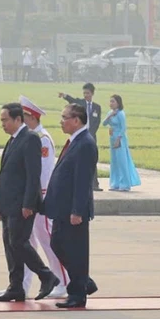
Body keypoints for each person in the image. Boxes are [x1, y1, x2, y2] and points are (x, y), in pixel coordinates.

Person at [0, 102, 61, 302]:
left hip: (22, 204)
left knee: (19, 243)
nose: (2, 124)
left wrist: (29, 204)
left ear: (18, 119)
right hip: (8, 204)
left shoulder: (30, 139)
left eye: (5, 120)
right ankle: (16, 287)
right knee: (10, 245)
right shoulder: (12, 140)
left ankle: (47, 275)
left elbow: (33, 175)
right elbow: (5, 175)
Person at [45, 103, 98, 308]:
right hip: (62, 208)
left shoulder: (85, 144)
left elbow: (82, 181)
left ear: (76, 120)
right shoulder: (75, 141)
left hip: (73, 211)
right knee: (57, 244)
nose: (61, 121)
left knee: (75, 251)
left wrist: (77, 211)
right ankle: (84, 282)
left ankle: (77, 294)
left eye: (64, 117)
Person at [59, 83, 102, 191]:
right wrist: (64, 96)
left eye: (87, 93)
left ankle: (95, 184)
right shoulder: (80, 104)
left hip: (91, 136)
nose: (86, 95)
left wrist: (91, 134)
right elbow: (71, 100)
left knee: (92, 159)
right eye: (84, 93)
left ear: (92, 93)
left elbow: (97, 122)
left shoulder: (97, 107)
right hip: (81, 135)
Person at [105, 95, 140, 192]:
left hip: (120, 139)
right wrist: (110, 116)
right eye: (110, 101)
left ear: (118, 103)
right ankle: (115, 183)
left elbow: (123, 128)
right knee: (114, 161)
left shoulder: (121, 114)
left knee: (121, 161)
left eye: (113, 102)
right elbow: (104, 123)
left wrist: (118, 139)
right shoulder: (110, 113)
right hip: (112, 138)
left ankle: (124, 184)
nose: (111, 103)